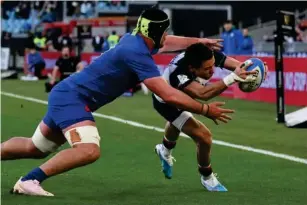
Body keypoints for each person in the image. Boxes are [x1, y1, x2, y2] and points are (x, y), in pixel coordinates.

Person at [1, 7, 233, 197]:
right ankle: (30, 180)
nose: (166, 37)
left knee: (36, 147)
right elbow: (169, 95)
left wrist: (197, 42)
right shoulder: (137, 54)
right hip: (73, 99)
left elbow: (168, 41)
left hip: (66, 94)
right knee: (89, 149)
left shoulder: (134, 39)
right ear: (156, 33)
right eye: (164, 32)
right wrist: (206, 109)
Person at [153, 43, 259, 192]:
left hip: (182, 93)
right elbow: (202, 94)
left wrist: (253, 69)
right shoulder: (179, 72)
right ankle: (207, 178)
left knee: (178, 123)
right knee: (204, 137)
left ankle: (164, 149)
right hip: (167, 102)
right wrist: (232, 78)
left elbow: (239, 66)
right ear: (192, 69)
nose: (213, 70)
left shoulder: (206, 56)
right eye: (207, 69)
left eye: (213, 65)